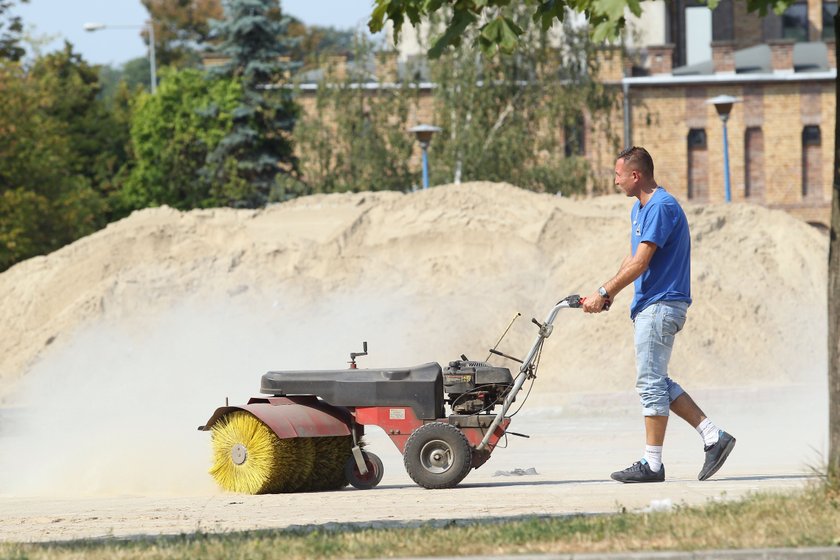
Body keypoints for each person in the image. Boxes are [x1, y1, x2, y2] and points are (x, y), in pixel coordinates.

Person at [583, 146, 736, 483]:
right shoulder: (640, 210)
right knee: (658, 381)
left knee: (650, 383)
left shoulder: (661, 207)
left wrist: (605, 292)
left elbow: (641, 263)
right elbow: (631, 259)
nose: (615, 181)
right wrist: (604, 292)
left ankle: (652, 464)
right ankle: (713, 436)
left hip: (661, 304)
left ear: (635, 175)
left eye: (618, 175)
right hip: (652, 304)